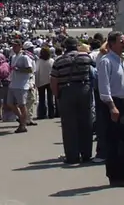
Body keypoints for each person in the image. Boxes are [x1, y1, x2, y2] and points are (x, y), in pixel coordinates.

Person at [98, 31, 124, 186]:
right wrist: (111, 107)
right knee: (115, 141)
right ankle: (115, 176)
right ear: (111, 44)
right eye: (121, 41)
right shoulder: (106, 61)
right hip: (113, 103)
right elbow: (104, 86)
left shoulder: (123, 60)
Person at [50, 36, 94, 165]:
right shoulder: (86, 58)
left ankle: (72, 156)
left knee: (69, 126)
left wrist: (57, 95)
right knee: (86, 123)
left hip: (66, 91)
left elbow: (54, 80)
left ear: (65, 47)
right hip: (83, 90)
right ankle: (86, 154)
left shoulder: (59, 61)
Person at [8, 41, 36, 133]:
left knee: (22, 105)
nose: (13, 47)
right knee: (10, 103)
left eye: (15, 46)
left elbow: (30, 69)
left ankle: (23, 124)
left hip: (22, 85)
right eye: (13, 46)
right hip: (13, 83)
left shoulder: (24, 57)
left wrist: (19, 69)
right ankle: (21, 118)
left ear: (20, 46)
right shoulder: (13, 57)